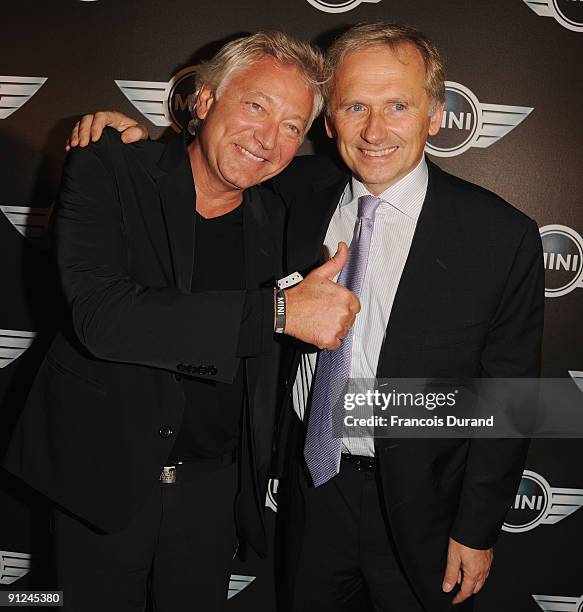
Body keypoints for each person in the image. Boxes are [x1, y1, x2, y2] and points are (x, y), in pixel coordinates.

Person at [66, 22, 544, 612]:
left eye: (398, 105)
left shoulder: (501, 235)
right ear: (330, 122)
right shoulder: (297, 192)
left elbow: (513, 396)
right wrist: (134, 141)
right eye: (354, 107)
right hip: (311, 491)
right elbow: (217, 160)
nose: (375, 130)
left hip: (429, 508)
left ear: (436, 113)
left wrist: (478, 526)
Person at [3, 32, 360, 612]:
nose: (268, 139)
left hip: (215, 493)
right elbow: (102, 317)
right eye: (255, 106)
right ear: (203, 100)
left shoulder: (286, 210)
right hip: (103, 476)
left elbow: (380, 159)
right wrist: (276, 312)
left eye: (292, 126)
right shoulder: (111, 168)